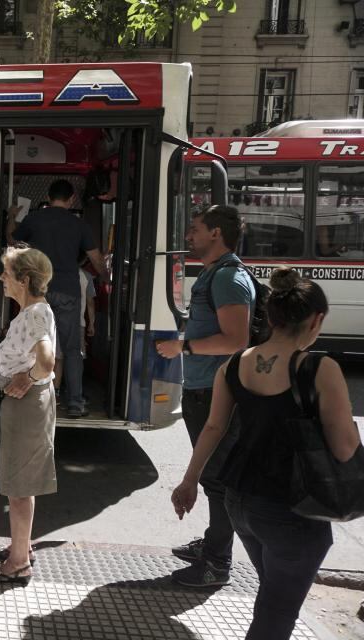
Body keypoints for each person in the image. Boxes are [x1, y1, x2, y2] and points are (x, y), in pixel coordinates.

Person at [171, 268, 360, 639]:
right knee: (277, 613)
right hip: (294, 508)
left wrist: (189, 481)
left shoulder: (235, 364)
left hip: (240, 501)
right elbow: (344, 447)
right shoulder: (320, 368)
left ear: (270, 318)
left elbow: (213, 427)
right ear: (317, 319)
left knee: (273, 594)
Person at [156, 204, 255, 588]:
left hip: (217, 391)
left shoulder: (228, 278)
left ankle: (217, 564)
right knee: (215, 477)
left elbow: (236, 339)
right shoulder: (219, 273)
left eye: (195, 228)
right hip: (205, 388)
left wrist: (184, 347)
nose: (188, 236)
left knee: (217, 480)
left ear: (216, 233)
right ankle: (214, 543)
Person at [0, 245, 57, 586]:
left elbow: (46, 361)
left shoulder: (36, 313)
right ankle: (20, 547)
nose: (1, 278)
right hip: (21, 403)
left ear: (24, 280)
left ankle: (18, 562)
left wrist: (28, 378)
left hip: (26, 406)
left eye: (6, 274)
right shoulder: (31, 311)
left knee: (19, 486)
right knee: (20, 483)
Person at [8, 179, 107, 418]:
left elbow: (12, 241)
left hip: (38, 290)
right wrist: (106, 277)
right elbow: (95, 259)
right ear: (72, 198)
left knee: (35, 345)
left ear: (49, 196)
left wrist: (12, 216)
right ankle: (74, 402)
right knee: (72, 349)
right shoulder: (79, 224)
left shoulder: (33, 219)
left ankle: (36, 400)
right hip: (68, 292)